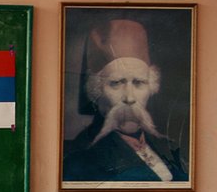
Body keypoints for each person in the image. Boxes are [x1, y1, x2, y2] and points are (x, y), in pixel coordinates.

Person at [62, 18, 188, 182]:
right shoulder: (79, 162)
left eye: (139, 83)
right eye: (116, 83)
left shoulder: (167, 147)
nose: (129, 98)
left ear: (151, 87)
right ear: (96, 92)